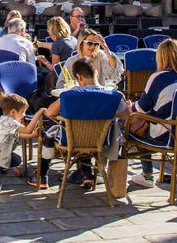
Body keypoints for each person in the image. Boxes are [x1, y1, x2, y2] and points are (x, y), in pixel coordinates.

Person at [32, 56, 130, 189]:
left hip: (72, 140)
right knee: (86, 133)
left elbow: (49, 113)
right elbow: (126, 116)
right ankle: (87, 175)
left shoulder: (69, 95)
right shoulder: (114, 95)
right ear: (96, 73)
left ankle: (42, 175)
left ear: (79, 77)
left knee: (50, 132)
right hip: (102, 141)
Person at [127, 39, 177, 187]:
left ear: (161, 57)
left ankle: (147, 174)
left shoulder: (158, 78)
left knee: (131, 124)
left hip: (165, 135)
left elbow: (140, 109)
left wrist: (130, 106)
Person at [54, 28, 124, 88]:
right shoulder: (71, 61)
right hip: (78, 97)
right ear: (81, 43)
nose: (93, 46)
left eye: (96, 44)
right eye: (90, 43)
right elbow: (60, 85)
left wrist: (105, 46)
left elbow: (113, 70)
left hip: (98, 96)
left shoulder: (100, 56)